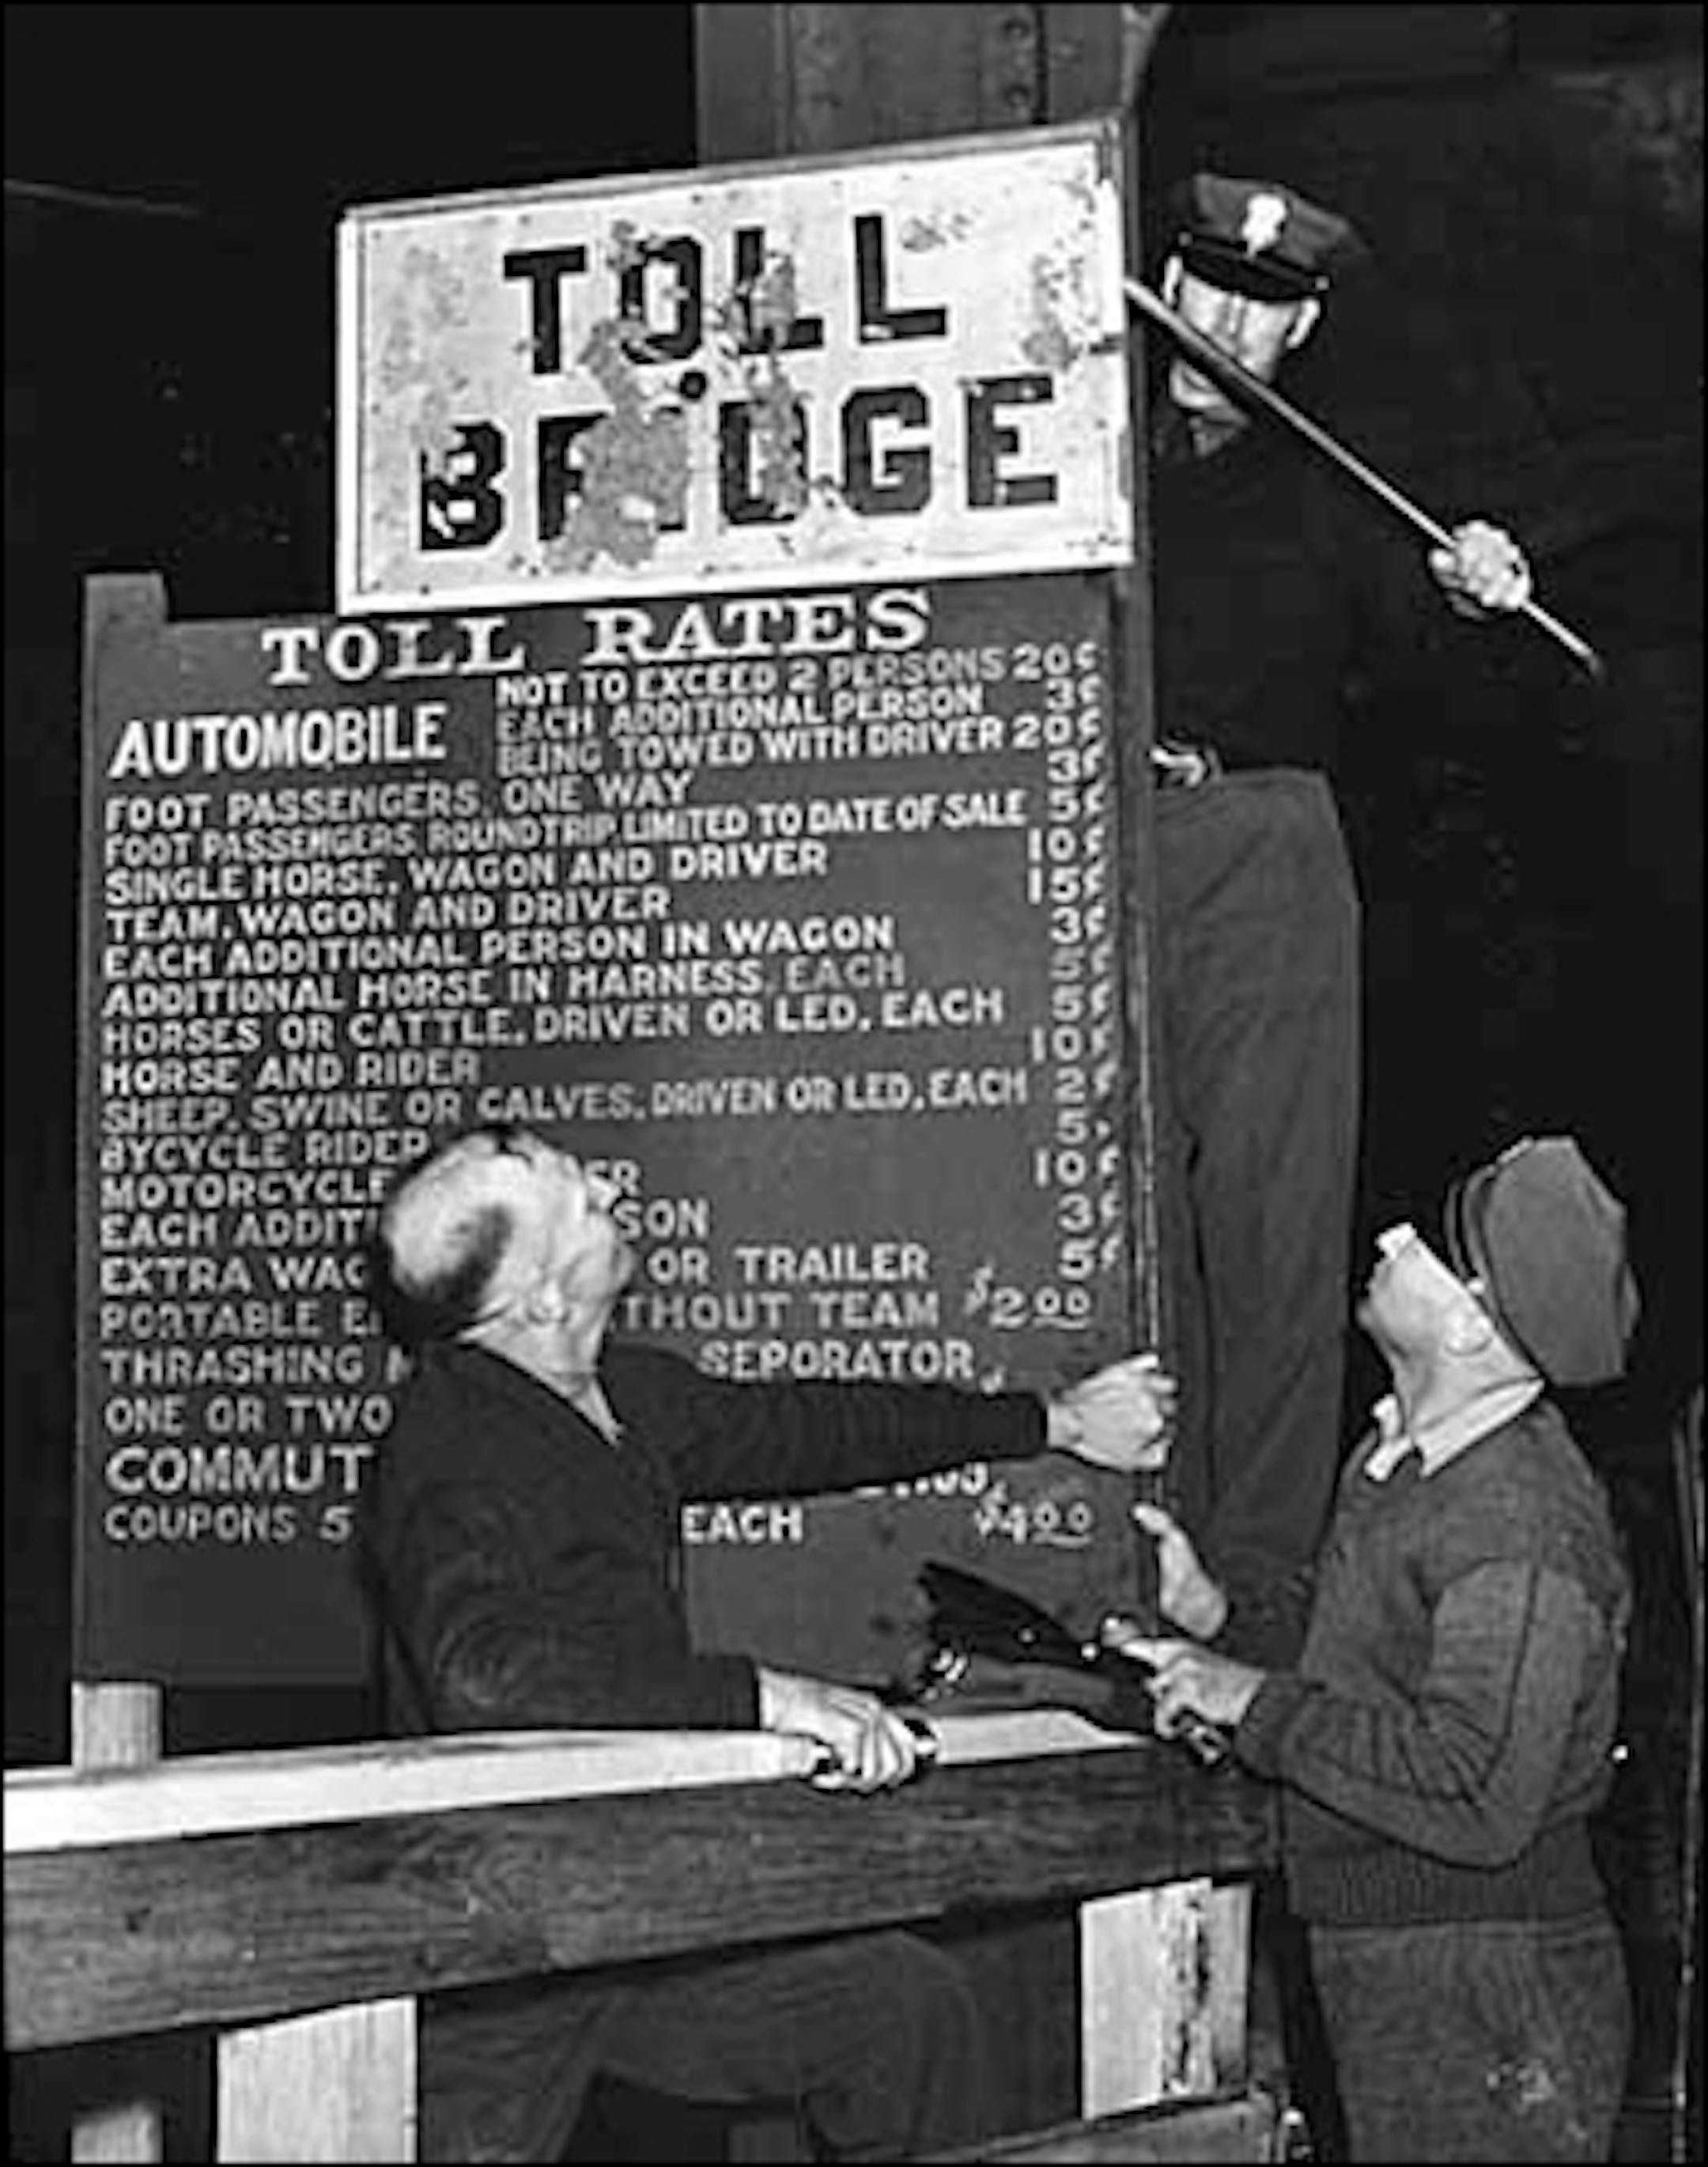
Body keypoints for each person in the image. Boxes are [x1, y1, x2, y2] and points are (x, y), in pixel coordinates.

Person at [360, 1119, 1177, 2164]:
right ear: (541, 1298)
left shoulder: (624, 1394)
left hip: (641, 1914)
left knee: (898, 2013)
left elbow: (811, 1427)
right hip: (504, 1943)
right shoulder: (450, 1449)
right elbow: (488, 1673)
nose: (608, 1184)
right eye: (577, 1193)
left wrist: (1050, 1423)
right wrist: (768, 1697)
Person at [1140, 170, 1543, 1622]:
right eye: (1203, 286)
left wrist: (1470, 595)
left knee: (1267, 1224)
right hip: (1083, 838)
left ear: (1298, 329)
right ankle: (1120, 1542)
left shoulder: (1339, 485)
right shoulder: (1071, 444)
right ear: (1166, 288)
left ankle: (1248, 1586)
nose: (1223, 321)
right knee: (1101, 1200)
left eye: (1261, 303)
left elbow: (1449, 703)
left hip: (1262, 847)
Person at [1104, 1134, 1638, 2161]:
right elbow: (1369, 1643)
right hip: (1399, 1956)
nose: (1391, 1238)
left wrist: (1251, 1703)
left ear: (1472, 1329)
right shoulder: (1407, 1455)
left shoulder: (1519, 1519)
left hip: (1489, 1986)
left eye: (1431, 1244)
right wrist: (1223, 1622)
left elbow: (1477, 1790)